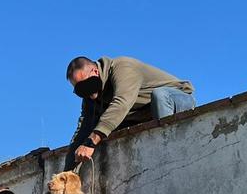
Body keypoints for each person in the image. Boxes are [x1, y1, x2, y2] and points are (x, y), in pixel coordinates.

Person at [66, 55, 195, 170]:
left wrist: (91, 141)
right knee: (107, 126)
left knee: (159, 95)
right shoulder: (90, 97)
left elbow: (121, 103)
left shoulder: (123, 67)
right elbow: (83, 129)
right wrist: (66, 171)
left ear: (95, 72)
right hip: (144, 115)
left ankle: (170, 154)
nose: (84, 91)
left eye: (84, 84)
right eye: (79, 90)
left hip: (178, 101)